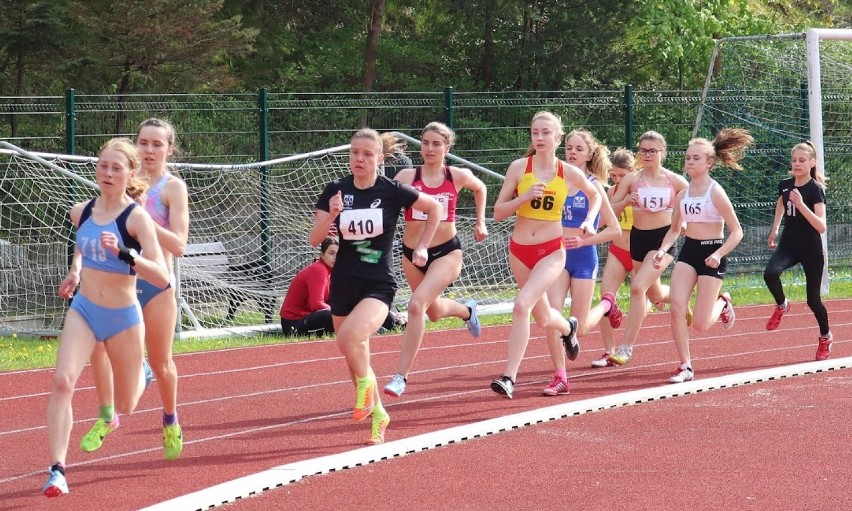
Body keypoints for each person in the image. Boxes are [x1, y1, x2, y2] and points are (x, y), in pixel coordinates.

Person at [43, 138, 170, 497]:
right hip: (84, 309)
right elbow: (84, 244)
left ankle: (141, 375)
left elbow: (162, 277)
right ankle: (57, 469)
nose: (108, 173)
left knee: (127, 403)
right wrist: (75, 270)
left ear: (130, 173)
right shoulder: (81, 211)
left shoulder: (136, 217)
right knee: (63, 381)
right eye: (103, 166)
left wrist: (128, 254)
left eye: (117, 167)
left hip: (123, 317)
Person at [309, 128, 441, 444]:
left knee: (348, 337)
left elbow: (434, 207)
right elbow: (314, 239)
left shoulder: (392, 190)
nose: (360, 158)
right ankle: (379, 413)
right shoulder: (335, 191)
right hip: (342, 282)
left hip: (378, 284)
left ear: (380, 158)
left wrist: (423, 245)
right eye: (355, 152)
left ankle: (366, 391)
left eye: (368, 154)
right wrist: (334, 215)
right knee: (355, 357)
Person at [79, 119, 189, 461]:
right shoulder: (122, 180)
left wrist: (141, 218)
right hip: (119, 289)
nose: (149, 150)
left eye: (157, 144)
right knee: (97, 346)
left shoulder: (172, 188)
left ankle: (170, 419)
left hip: (155, 285)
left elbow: (180, 244)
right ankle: (107, 416)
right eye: (143, 143)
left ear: (169, 149)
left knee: (161, 363)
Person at [490, 111, 600, 399]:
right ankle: (568, 329)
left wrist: (589, 220)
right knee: (542, 317)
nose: (539, 137)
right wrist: (523, 197)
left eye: (545, 132)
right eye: (535, 132)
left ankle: (509, 377)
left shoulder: (568, 173)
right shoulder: (519, 168)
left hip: (551, 251)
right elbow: (498, 213)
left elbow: (596, 195)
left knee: (521, 305)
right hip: (520, 250)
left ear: (557, 137)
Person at [383, 122, 489, 398]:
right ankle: (467, 311)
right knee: (433, 312)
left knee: (416, 306)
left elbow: (481, 188)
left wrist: (480, 222)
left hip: (446, 252)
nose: (429, 148)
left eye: (436, 144)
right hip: (412, 253)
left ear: (447, 148)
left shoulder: (457, 175)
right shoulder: (407, 176)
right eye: (425, 142)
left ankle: (400, 377)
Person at [652, 129, 753, 382]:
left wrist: (718, 254)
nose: (689, 162)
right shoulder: (682, 195)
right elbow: (675, 230)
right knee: (676, 306)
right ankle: (685, 365)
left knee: (700, 324)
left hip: (712, 252)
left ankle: (724, 302)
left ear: (708, 163)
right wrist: (663, 250)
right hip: (689, 252)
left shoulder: (715, 192)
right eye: (687, 157)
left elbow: (737, 231)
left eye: (696, 158)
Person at [541, 129, 620, 396]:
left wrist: (586, 240)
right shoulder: (556, 180)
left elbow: (614, 230)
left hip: (584, 258)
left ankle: (608, 303)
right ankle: (560, 376)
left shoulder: (593, 185)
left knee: (582, 327)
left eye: (579, 149)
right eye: (570, 148)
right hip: (557, 257)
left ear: (589, 155)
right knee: (552, 315)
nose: (572, 153)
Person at [606, 131, 689, 366]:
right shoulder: (632, 179)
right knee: (654, 294)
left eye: (652, 150)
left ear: (662, 152)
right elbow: (610, 209)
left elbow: (694, 207)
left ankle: (626, 348)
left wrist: (683, 222)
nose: (647, 154)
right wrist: (625, 202)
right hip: (638, 239)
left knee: (637, 287)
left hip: (663, 240)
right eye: (643, 150)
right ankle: (681, 299)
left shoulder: (676, 182)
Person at [764, 141, 831, 360]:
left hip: (811, 249)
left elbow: (821, 226)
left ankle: (825, 337)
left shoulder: (815, 190)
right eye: (794, 160)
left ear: (812, 163)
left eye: (802, 160)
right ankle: (782, 305)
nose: (797, 164)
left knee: (813, 300)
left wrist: (802, 205)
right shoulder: (785, 184)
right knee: (770, 273)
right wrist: (774, 229)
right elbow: (781, 203)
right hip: (789, 245)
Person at [279, 236, 406, 337]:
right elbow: (316, 305)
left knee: (365, 305)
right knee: (330, 314)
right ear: (322, 255)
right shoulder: (319, 270)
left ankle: (396, 325)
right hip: (293, 325)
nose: (336, 258)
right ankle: (366, 330)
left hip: (312, 317)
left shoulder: (336, 271)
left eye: (339, 254)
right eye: (331, 253)